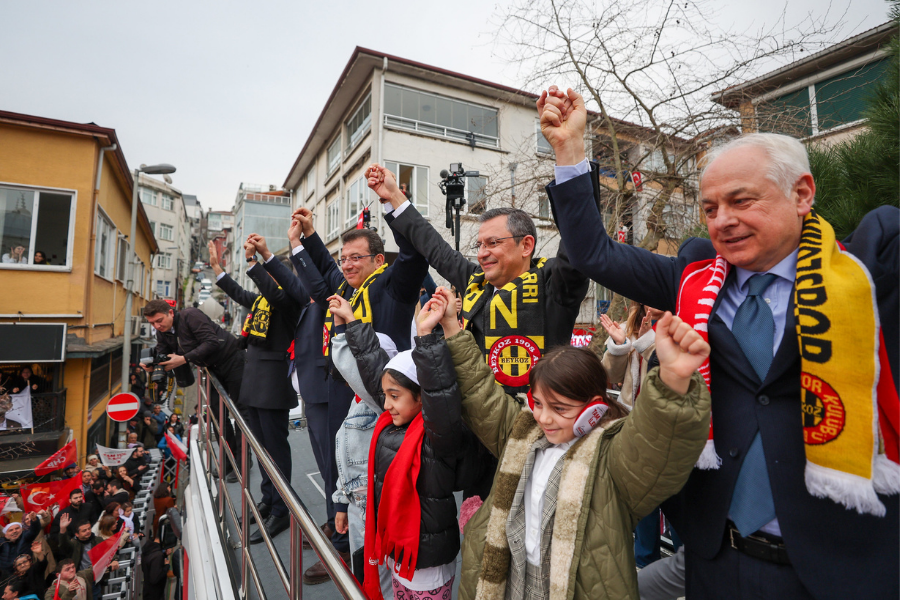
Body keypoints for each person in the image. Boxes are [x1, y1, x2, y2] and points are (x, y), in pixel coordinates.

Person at [540, 86, 899, 599]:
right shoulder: (690, 281)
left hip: (842, 566)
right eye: (709, 208)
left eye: (742, 201)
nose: (722, 220)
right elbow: (593, 252)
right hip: (714, 559)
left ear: (802, 194)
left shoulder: (866, 280)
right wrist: (570, 151)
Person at [426, 284, 711, 600]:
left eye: (559, 408)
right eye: (537, 403)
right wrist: (451, 325)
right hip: (509, 585)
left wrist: (673, 379)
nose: (544, 418)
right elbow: (481, 393)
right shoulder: (523, 432)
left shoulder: (611, 460)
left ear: (595, 407)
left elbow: (658, 444)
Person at [368, 163, 590, 396]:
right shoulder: (476, 281)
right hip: (475, 418)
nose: (482, 253)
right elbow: (433, 246)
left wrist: (570, 154)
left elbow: (580, 239)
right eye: (480, 245)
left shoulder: (556, 283)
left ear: (526, 245)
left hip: (540, 420)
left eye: (493, 243)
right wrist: (393, 196)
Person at [333, 292, 485, 600]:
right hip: (397, 554)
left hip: (425, 561)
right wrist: (350, 324)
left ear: (421, 397)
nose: (385, 403)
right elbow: (374, 370)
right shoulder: (392, 424)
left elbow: (441, 392)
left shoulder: (435, 434)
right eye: (385, 395)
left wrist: (426, 335)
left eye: (394, 396)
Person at [245, 231, 356, 583]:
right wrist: (261, 257)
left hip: (328, 389)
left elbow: (298, 279)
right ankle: (335, 524)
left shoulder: (327, 296)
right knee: (327, 469)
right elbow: (286, 287)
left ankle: (340, 546)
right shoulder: (308, 302)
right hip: (314, 389)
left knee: (335, 470)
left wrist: (297, 244)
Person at [209, 237, 299, 541]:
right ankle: (268, 500)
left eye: (270, 276)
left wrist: (253, 262)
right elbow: (238, 292)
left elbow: (274, 293)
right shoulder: (263, 301)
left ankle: (282, 510)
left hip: (273, 383)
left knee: (275, 450)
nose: (264, 282)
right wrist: (218, 271)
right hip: (255, 379)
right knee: (261, 449)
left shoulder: (288, 301)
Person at [289, 204, 429, 353]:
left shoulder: (393, 285)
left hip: (384, 374)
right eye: (343, 259)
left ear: (378, 261)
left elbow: (414, 252)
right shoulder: (347, 288)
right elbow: (326, 266)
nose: (347, 266)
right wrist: (307, 232)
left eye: (355, 258)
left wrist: (390, 200)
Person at [143, 298, 249, 481]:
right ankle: (228, 461)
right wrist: (154, 366)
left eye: (159, 320)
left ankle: (243, 462)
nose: (157, 326)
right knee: (218, 416)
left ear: (170, 312)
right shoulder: (164, 332)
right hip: (213, 368)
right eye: (152, 323)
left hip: (233, 361)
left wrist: (183, 359)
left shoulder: (190, 315)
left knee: (240, 413)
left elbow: (212, 342)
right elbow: (163, 352)